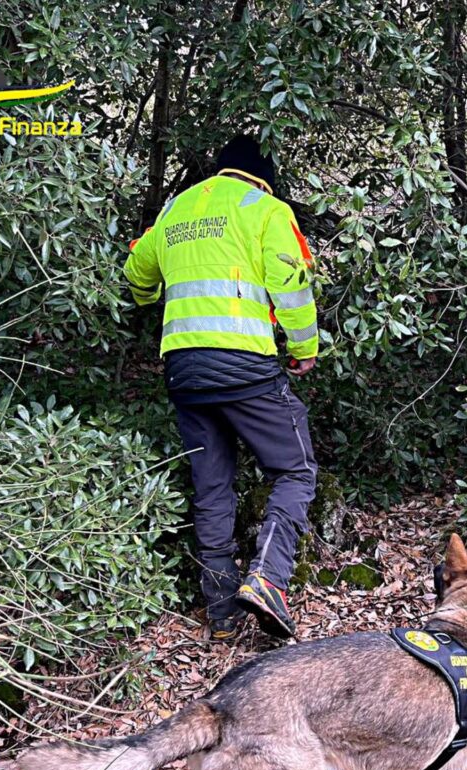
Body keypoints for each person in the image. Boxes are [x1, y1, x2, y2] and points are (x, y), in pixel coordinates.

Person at [124, 135, 319, 641]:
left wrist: (152, 294)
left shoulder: (178, 208)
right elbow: (290, 282)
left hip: (185, 371)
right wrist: (304, 347)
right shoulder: (265, 208)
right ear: (263, 175)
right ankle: (267, 579)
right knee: (295, 470)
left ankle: (223, 615)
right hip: (245, 365)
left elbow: (137, 274)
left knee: (212, 488)